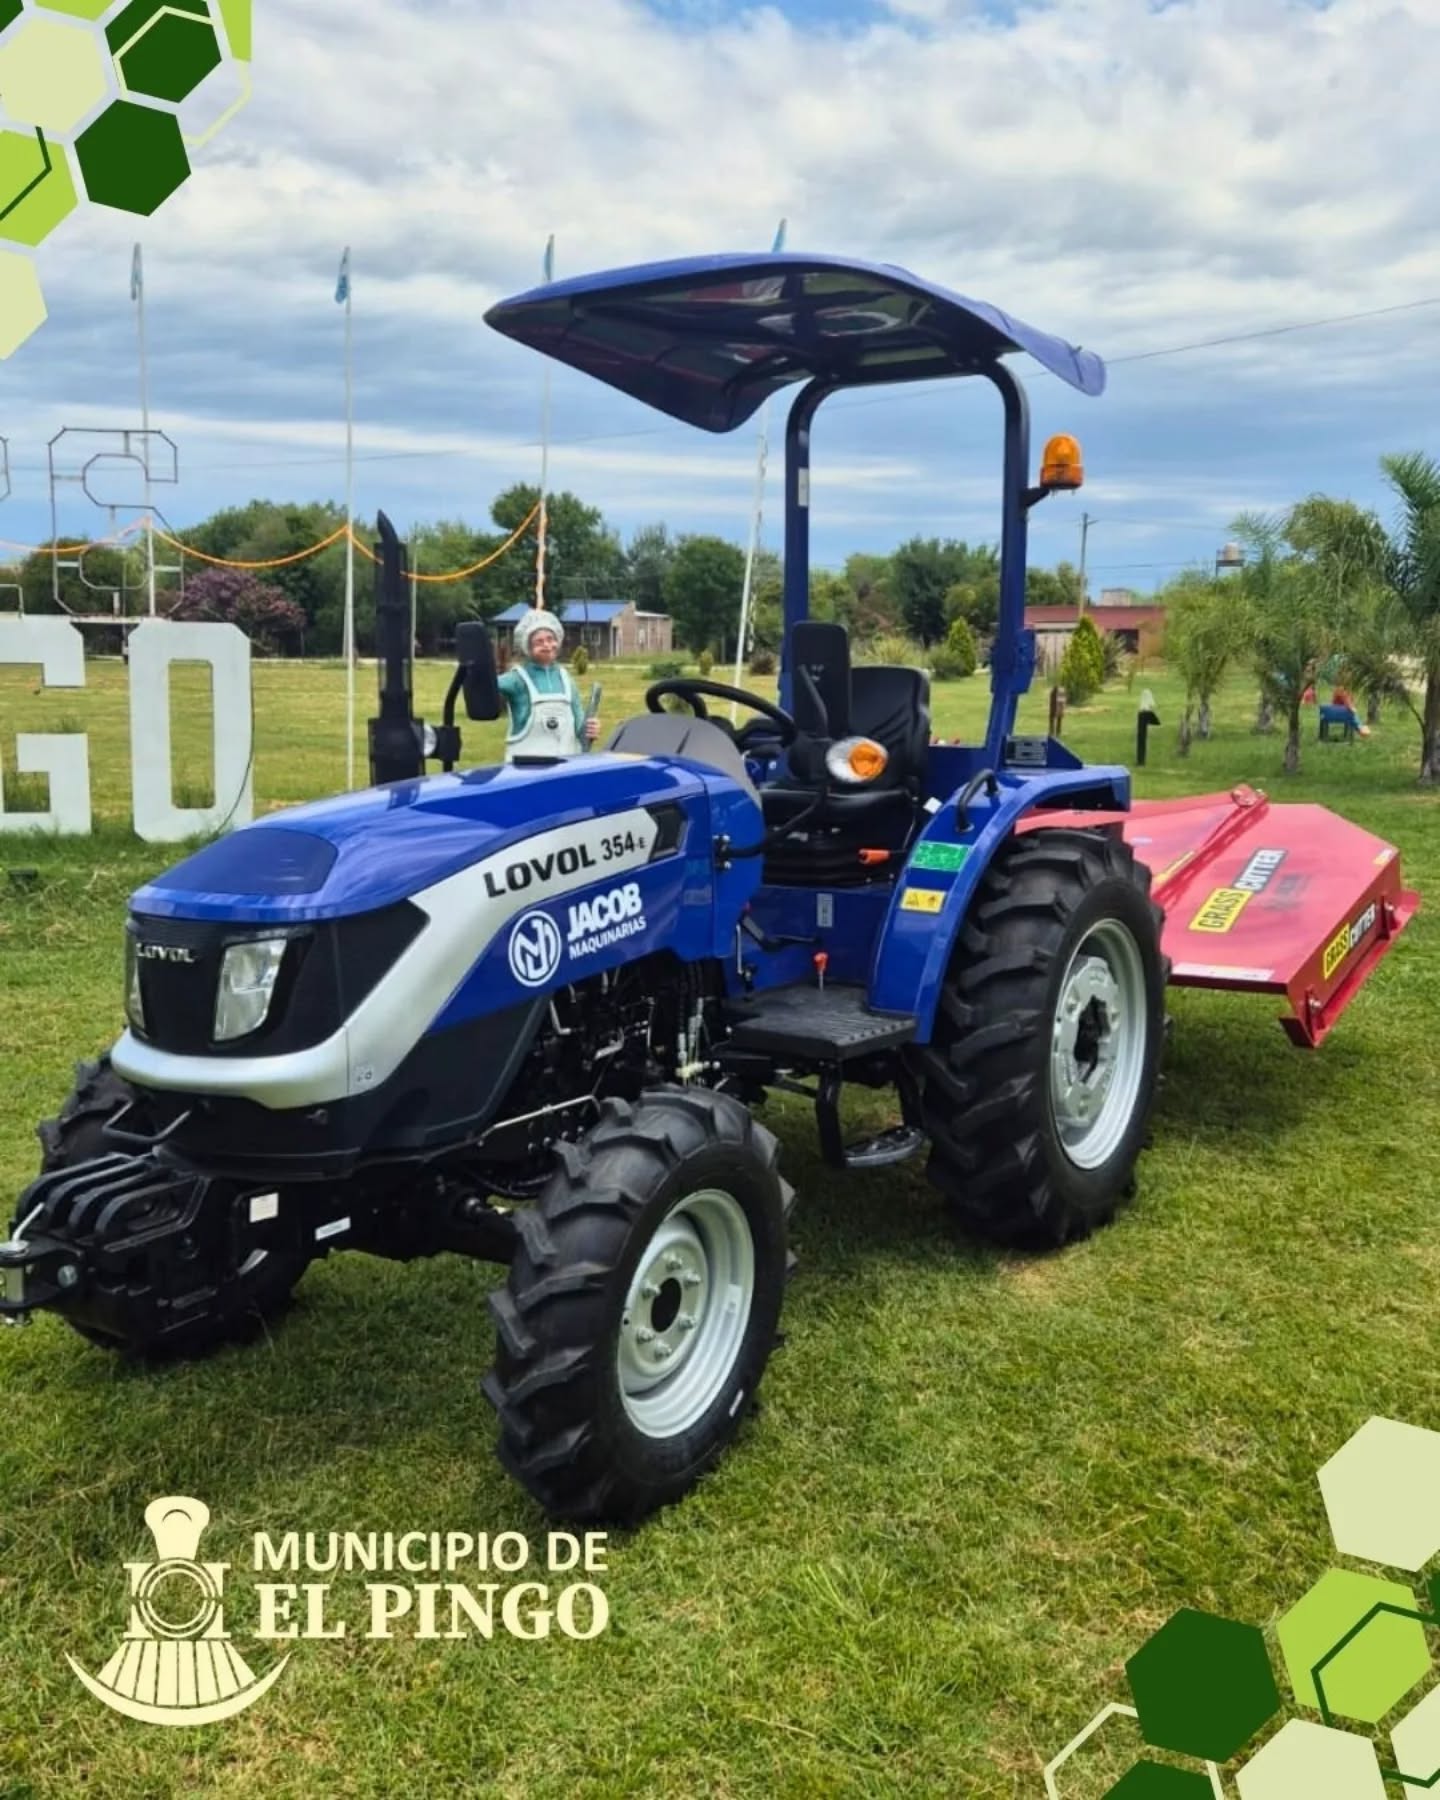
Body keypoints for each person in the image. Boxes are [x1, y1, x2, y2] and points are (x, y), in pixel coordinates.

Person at [499, 608, 600, 762]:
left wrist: (590, 730)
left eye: (550, 639)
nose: (547, 645)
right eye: (539, 642)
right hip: (525, 770)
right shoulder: (516, 679)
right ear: (527, 647)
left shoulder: (566, 679)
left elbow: (579, 727)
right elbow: (484, 688)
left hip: (566, 768)